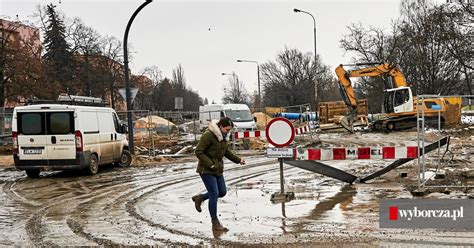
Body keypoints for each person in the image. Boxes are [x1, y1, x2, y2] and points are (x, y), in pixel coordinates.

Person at [192, 117, 246, 232]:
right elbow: (198, 151)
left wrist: (238, 160)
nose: (228, 132)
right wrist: (211, 165)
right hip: (206, 170)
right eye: (227, 129)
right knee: (214, 193)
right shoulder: (208, 135)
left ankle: (200, 197)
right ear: (220, 127)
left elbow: (225, 151)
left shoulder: (223, 137)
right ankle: (215, 223)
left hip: (217, 170)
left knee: (222, 192)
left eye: (230, 130)